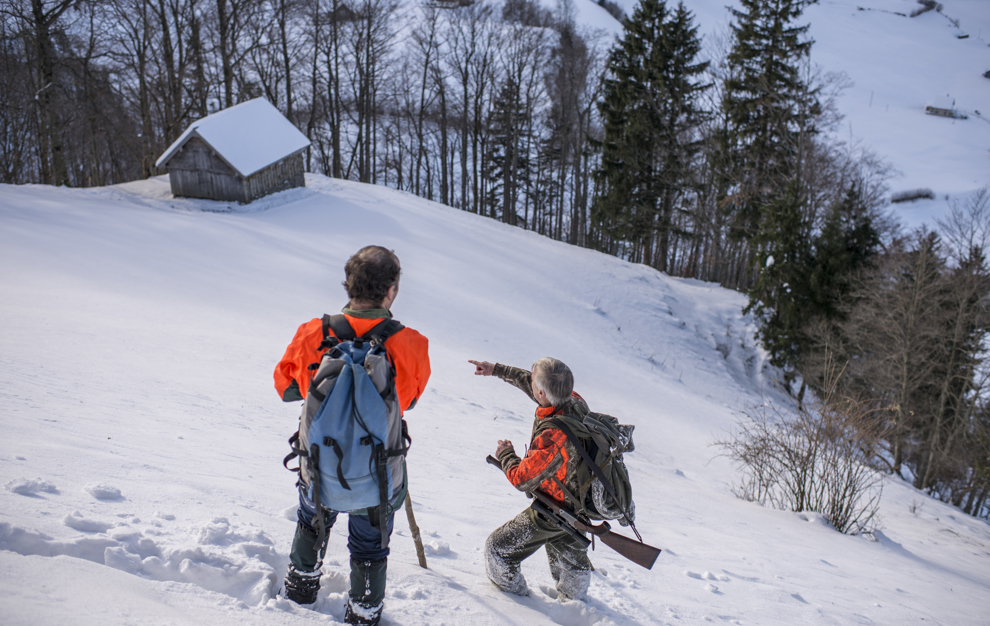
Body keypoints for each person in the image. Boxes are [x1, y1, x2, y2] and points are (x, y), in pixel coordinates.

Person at [275, 246, 430, 625]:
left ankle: (299, 590)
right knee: (370, 543)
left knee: (312, 519)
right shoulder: (411, 343)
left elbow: (285, 387)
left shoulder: (313, 331)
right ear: (390, 291)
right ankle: (363, 612)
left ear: (348, 283)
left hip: (319, 462)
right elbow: (406, 401)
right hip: (377, 472)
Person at [469, 357, 594, 602]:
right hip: (578, 504)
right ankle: (577, 607)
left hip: (552, 509)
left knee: (498, 551)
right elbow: (536, 385)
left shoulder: (552, 437)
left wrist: (506, 454)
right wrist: (497, 370)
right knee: (569, 555)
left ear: (541, 392)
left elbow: (522, 479)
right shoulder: (575, 402)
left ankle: (520, 605)